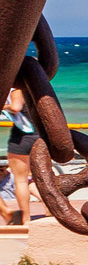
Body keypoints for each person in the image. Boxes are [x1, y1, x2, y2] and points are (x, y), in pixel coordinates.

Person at [4, 87, 34, 229]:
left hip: (22, 138)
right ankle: (49, 209)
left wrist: (4, 106)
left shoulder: (17, 89)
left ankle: (26, 218)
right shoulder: (35, 88)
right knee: (38, 177)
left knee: (21, 180)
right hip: (39, 136)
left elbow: (16, 107)